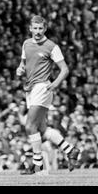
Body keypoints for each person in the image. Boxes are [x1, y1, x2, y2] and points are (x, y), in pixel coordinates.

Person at [16, 16, 79, 175]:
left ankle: (37, 166)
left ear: (45, 29)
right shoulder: (26, 44)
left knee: (30, 125)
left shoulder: (52, 46)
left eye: (40, 29)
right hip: (30, 89)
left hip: (43, 87)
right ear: (30, 28)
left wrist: (56, 83)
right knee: (42, 130)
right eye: (35, 28)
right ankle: (70, 150)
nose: (37, 32)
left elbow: (64, 69)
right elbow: (23, 63)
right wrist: (20, 69)